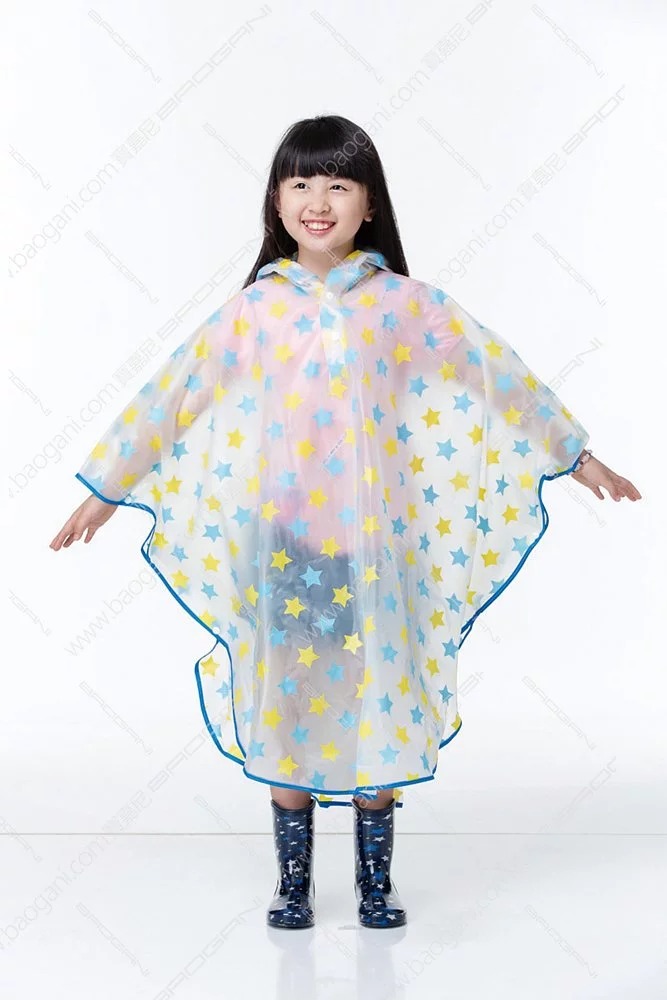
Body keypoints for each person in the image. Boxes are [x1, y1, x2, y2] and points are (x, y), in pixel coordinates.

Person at [50, 114, 642, 931]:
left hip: (376, 550)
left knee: (378, 699)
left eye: (337, 183)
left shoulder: (405, 305)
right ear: (275, 200)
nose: (317, 201)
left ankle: (373, 880)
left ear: (369, 203)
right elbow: (175, 395)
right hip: (282, 549)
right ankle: (293, 881)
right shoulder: (255, 311)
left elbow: (495, 373)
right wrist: (108, 486)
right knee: (287, 703)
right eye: (299, 183)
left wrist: (574, 455)